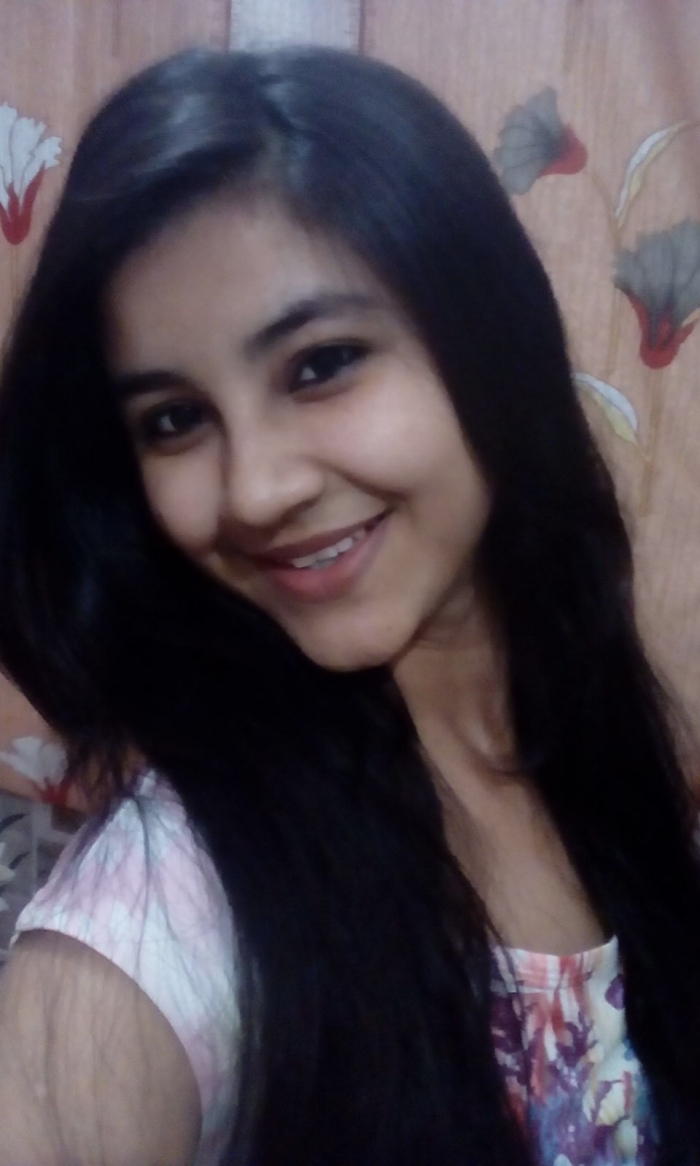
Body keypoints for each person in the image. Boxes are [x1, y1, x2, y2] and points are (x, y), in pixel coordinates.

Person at [0, 44, 697, 1166]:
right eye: (174, 420)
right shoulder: (158, 912)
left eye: (320, 364)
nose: (254, 490)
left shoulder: (593, 737)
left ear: (486, 340)